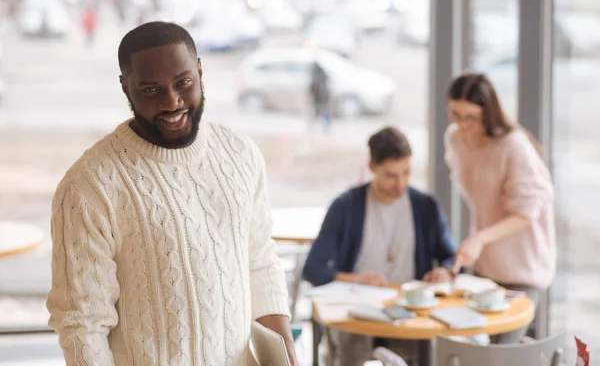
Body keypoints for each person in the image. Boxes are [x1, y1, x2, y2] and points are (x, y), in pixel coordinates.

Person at [46, 21, 297, 365]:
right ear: (125, 86)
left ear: (200, 70)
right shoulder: (90, 186)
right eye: (151, 90)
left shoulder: (240, 153)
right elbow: (81, 324)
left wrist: (286, 355)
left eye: (183, 83)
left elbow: (260, 262)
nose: (172, 101)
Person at [303, 126, 457, 366]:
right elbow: (313, 268)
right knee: (352, 347)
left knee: (427, 349)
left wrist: (445, 271)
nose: (400, 183)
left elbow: (451, 257)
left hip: (408, 311)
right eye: (390, 175)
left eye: (406, 172)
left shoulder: (425, 206)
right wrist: (356, 279)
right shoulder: (345, 207)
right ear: (372, 167)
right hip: (357, 310)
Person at [445, 72, 556, 344]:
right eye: (455, 114)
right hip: (485, 267)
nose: (462, 124)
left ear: (488, 113)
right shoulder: (456, 139)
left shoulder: (513, 146)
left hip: (522, 267)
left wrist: (480, 237)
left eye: (470, 117)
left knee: (502, 354)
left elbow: (527, 213)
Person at [309, 61, 331, 132]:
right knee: (319, 112)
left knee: (322, 112)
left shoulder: (318, 75)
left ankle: (325, 127)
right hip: (321, 98)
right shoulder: (320, 74)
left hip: (322, 97)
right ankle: (314, 128)